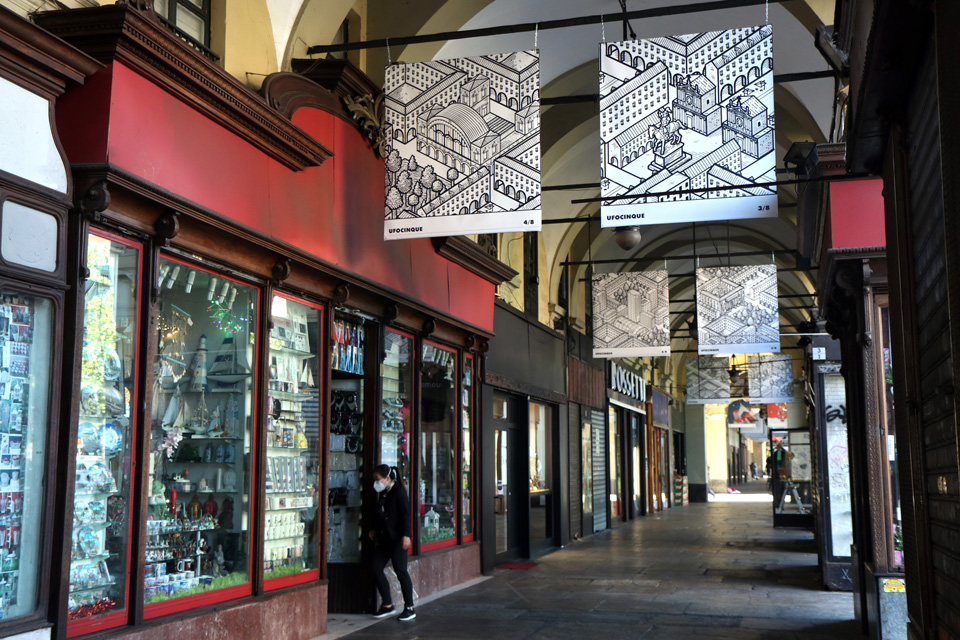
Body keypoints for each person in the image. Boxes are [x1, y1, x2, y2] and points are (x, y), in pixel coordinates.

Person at [368, 464, 416, 622]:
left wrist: (407, 535)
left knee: (401, 571)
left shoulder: (399, 492)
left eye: (378, 479)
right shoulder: (383, 493)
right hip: (384, 539)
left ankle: (409, 607)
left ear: (387, 478)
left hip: (398, 539)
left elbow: (406, 515)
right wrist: (375, 529)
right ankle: (387, 603)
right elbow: (382, 514)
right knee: (375, 566)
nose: (376, 483)